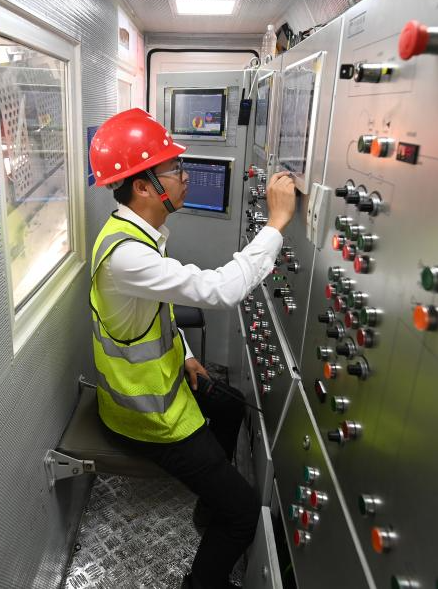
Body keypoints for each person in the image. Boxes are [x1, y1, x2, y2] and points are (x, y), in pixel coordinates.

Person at [88, 108, 296, 589]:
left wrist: (184, 355)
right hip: (146, 417)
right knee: (244, 512)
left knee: (228, 404)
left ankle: (208, 508)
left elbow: (153, 314)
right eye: (174, 170)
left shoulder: (134, 234)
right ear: (143, 187)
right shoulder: (128, 256)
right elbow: (221, 290)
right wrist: (277, 223)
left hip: (160, 387)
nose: (185, 177)